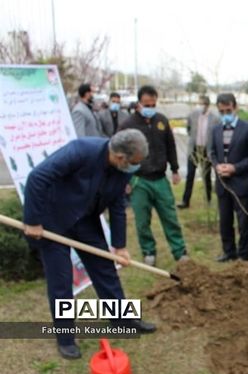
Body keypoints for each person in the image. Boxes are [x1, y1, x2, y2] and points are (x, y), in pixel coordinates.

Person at [23, 129, 156, 359]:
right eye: (134, 163)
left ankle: (122, 320)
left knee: (106, 269)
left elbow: (117, 206)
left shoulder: (123, 170)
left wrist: (120, 245)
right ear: (120, 157)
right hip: (53, 219)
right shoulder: (81, 150)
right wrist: (33, 221)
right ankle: (65, 338)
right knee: (61, 281)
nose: (136, 168)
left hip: (86, 221)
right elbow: (37, 177)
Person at [118, 85, 188, 266]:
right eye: (146, 104)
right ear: (139, 103)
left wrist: (174, 169)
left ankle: (180, 251)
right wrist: (124, 179)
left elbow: (170, 146)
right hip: (139, 180)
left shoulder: (162, 121)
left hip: (160, 178)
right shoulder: (127, 125)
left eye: (153, 104)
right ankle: (148, 251)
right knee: (142, 221)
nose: (150, 107)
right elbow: (119, 154)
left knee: (170, 217)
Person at [208, 93, 248, 262]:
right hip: (223, 183)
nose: (225, 114)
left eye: (228, 110)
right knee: (225, 220)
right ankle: (228, 251)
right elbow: (211, 152)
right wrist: (217, 166)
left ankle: (243, 255)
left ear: (235, 107)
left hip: (242, 182)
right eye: (221, 111)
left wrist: (235, 168)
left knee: (244, 222)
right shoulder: (215, 129)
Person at [178, 96, 220, 208]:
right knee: (190, 175)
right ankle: (185, 201)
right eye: (199, 103)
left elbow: (216, 134)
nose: (200, 106)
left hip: (207, 149)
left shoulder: (215, 118)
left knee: (206, 176)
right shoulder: (192, 115)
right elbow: (189, 129)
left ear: (207, 105)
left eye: (202, 104)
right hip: (194, 149)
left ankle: (208, 200)